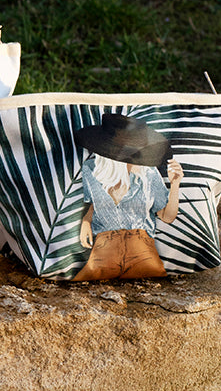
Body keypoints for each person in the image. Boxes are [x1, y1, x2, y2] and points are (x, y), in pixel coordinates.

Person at [71, 113, 183, 282]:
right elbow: (98, 203)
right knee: (79, 283)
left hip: (141, 246)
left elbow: (167, 217)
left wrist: (175, 184)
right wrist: (87, 220)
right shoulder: (91, 170)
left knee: (158, 278)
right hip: (104, 247)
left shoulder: (149, 174)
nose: (143, 158)